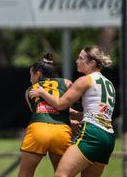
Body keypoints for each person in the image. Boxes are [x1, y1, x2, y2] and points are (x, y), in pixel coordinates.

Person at [30, 46, 115, 177]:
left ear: (91, 63)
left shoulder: (85, 80)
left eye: (81, 58)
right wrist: (74, 113)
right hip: (108, 138)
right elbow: (98, 114)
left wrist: (42, 92)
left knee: (61, 175)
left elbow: (59, 105)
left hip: (92, 134)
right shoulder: (108, 83)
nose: (76, 61)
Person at [19, 53, 73, 177]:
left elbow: (37, 111)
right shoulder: (66, 82)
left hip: (39, 129)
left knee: (25, 174)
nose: (30, 79)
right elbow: (68, 104)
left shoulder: (30, 90)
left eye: (31, 75)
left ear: (38, 74)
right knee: (62, 174)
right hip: (62, 131)